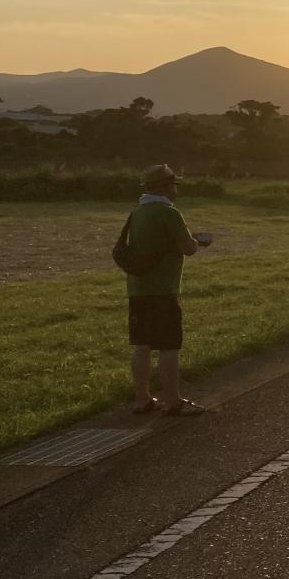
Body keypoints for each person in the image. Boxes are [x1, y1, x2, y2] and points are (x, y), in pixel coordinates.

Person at [122, 164, 211, 417]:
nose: (176, 190)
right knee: (169, 346)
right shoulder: (169, 213)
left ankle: (142, 399)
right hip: (163, 289)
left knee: (142, 345)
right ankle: (172, 400)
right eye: (174, 185)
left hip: (138, 289)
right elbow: (188, 249)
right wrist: (197, 240)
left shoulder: (138, 211)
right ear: (165, 186)